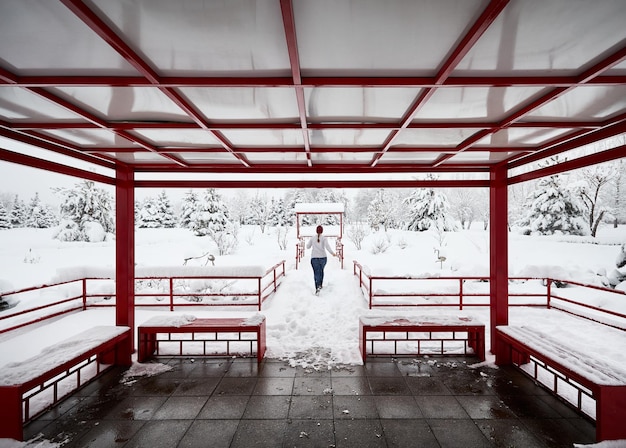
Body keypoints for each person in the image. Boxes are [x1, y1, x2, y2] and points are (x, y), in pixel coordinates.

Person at [306, 225, 336, 294]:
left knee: (316, 272)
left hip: (314, 258)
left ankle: (317, 286)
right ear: (322, 231)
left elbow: (307, 247)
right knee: (321, 271)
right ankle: (320, 285)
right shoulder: (324, 238)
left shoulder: (312, 238)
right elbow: (327, 246)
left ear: (316, 231)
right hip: (323, 258)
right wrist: (332, 253)